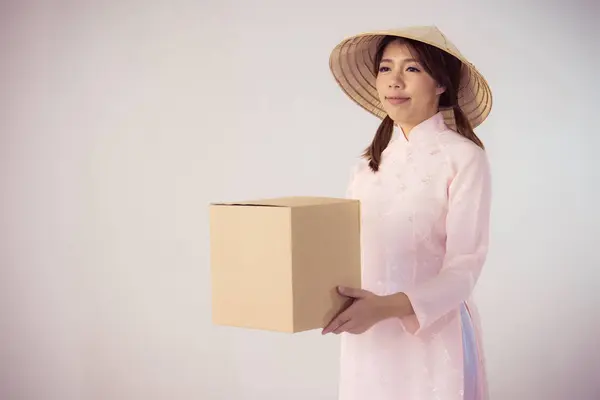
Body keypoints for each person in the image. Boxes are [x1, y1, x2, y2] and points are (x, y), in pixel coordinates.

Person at [321, 26, 493, 400]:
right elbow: (348, 249)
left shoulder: (464, 158)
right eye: (385, 68)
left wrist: (386, 307)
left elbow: (464, 269)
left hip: (434, 334)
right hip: (367, 332)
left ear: (442, 83)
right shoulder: (367, 165)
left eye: (412, 69)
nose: (394, 81)